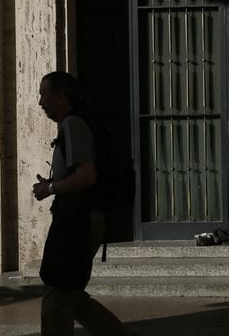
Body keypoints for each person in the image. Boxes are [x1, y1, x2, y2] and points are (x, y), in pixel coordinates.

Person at [32, 71, 134, 336]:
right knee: (72, 295)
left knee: (57, 297)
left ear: (61, 97)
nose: (40, 102)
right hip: (83, 219)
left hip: (78, 222)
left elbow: (86, 176)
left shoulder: (73, 125)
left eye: (44, 94)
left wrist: (50, 188)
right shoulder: (75, 124)